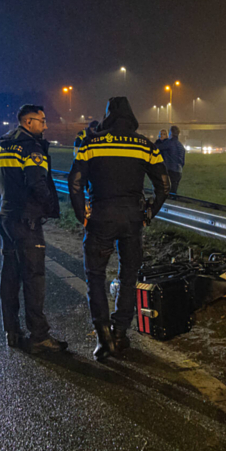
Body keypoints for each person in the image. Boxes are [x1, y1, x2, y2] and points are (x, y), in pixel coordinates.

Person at [68, 97, 170, 361]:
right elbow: (164, 185)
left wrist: (83, 217)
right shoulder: (145, 145)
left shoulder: (90, 144)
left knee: (95, 276)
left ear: (108, 115)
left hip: (101, 216)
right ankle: (121, 333)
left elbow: (75, 183)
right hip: (132, 218)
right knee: (128, 276)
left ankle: (103, 339)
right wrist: (149, 212)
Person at [0, 104, 68, 353]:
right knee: (34, 277)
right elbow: (38, 183)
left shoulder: (0, 147)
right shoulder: (31, 148)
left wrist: (9, 197)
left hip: (6, 218)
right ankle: (39, 336)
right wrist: (50, 206)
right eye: (42, 120)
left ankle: (12, 331)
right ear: (28, 122)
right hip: (26, 221)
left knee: (10, 275)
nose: (45, 125)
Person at [156, 125, 186, 194]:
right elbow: (183, 160)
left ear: (171, 133)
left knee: (164, 191)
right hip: (178, 171)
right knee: (173, 191)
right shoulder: (180, 145)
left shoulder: (169, 143)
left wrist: (159, 140)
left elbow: (157, 148)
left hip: (170, 170)